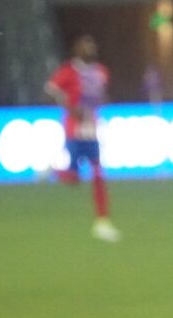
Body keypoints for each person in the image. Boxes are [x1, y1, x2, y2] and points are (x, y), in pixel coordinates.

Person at [45, 34, 120, 243]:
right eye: (86, 46)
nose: (91, 49)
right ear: (77, 50)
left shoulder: (100, 72)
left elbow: (100, 96)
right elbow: (51, 90)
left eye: (92, 45)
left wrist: (103, 100)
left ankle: (102, 223)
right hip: (74, 130)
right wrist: (70, 107)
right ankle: (56, 170)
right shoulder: (69, 71)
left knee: (98, 174)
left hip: (92, 129)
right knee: (73, 179)